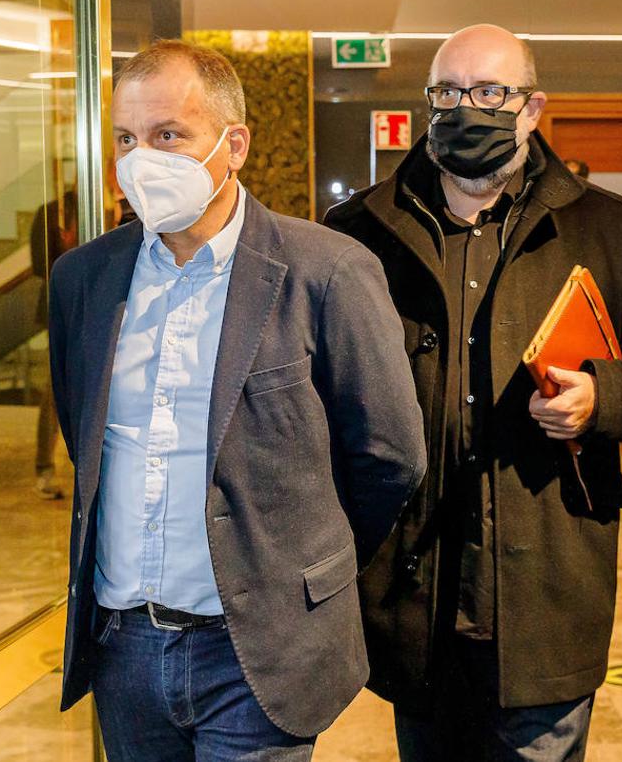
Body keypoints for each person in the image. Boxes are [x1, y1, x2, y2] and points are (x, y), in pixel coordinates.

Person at [323, 23, 622, 762]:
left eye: (489, 92)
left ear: (531, 108)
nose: (467, 109)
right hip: (411, 589)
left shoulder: (601, 223)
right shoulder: (358, 232)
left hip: (547, 587)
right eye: (448, 93)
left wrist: (598, 395)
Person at [49, 40, 426, 761]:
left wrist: (302, 566)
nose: (141, 160)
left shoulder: (328, 272)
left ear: (235, 145)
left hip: (257, 650)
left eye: (168, 136)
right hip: (124, 647)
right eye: (126, 139)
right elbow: (85, 438)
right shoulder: (84, 280)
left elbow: (391, 458)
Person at [29, 190, 78, 499]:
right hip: (62, 306)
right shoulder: (50, 212)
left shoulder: (124, 208)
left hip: (100, 306)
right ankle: (44, 466)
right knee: (54, 388)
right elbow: (39, 263)